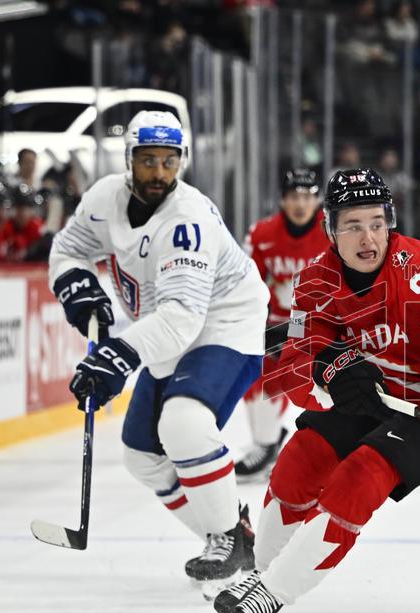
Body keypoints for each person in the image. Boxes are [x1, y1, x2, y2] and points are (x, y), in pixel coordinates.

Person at [211, 168, 420, 613]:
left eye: (376, 222)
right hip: (377, 396)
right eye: (352, 225)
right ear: (331, 230)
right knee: (298, 461)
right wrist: (332, 367)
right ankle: (261, 572)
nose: (368, 237)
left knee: (358, 478)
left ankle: (272, 592)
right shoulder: (316, 279)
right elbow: (302, 352)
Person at [48, 110, 270, 585]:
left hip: (224, 322)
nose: (159, 173)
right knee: (142, 455)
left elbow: (183, 319)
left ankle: (226, 536)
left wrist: (117, 355)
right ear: (129, 159)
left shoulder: (187, 219)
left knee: (184, 422)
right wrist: (75, 284)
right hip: (169, 325)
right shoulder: (104, 198)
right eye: (148, 161)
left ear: (182, 162)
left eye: (169, 162)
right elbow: (67, 249)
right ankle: (233, 538)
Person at [236, 168, 330, 482]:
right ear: (282, 200)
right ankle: (266, 442)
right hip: (276, 324)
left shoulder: (332, 233)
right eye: (293, 197)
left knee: (331, 384)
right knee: (255, 372)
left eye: (307, 196)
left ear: (317, 200)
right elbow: (246, 285)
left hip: (323, 324)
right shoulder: (262, 235)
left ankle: (330, 450)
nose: (300, 204)